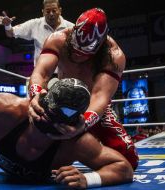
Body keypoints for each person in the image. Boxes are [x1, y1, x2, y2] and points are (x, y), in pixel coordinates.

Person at [0, 78, 133, 189]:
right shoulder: (7, 108)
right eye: (45, 113)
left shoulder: (76, 142)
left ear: (71, 126)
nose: (45, 120)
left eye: (55, 121)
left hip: (36, 171)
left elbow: (123, 168)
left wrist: (88, 179)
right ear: (39, 102)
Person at [28, 8, 139, 170]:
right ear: (73, 31)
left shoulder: (114, 55)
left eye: (85, 53)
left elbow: (100, 97)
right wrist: (35, 94)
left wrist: (84, 123)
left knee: (130, 160)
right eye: (75, 49)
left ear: (100, 44)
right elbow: (41, 73)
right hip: (60, 101)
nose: (78, 56)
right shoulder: (58, 39)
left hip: (93, 105)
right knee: (29, 139)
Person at [0, 0, 74, 70]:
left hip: (65, 74)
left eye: (54, 11)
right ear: (43, 12)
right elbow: (11, 33)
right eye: (47, 11)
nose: (51, 14)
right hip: (41, 74)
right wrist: (7, 25)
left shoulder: (71, 28)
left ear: (60, 11)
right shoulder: (35, 24)